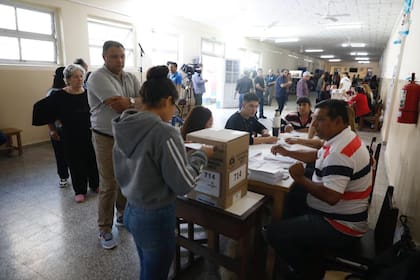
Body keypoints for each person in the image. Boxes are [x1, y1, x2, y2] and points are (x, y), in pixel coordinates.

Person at [112, 65, 212, 280]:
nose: (174, 111)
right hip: (155, 216)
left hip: (131, 209)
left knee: (146, 266)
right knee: (155, 273)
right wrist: (202, 155)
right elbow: (184, 184)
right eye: (174, 106)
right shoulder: (164, 132)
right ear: (167, 101)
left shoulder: (124, 125)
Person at [264, 99, 372, 279]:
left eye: (319, 120)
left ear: (337, 121)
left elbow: (331, 196)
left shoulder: (341, 152)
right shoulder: (343, 137)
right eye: (314, 119)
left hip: (340, 227)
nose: (314, 125)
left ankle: (310, 271)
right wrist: (288, 152)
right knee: (290, 197)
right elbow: (317, 155)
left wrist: (299, 178)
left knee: (272, 233)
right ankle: (297, 245)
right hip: (342, 215)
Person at [87, 40, 141, 249]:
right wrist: (135, 101)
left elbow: (145, 100)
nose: (119, 60)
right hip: (105, 135)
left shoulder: (130, 76)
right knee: (109, 183)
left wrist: (134, 101)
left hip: (126, 135)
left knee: (124, 178)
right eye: (114, 56)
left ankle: (122, 215)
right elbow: (119, 105)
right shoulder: (97, 77)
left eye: (122, 56)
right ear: (104, 57)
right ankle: (104, 230)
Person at [46, 64, 99, 202]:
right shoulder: (59, 95)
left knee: (91, 159)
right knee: (75, 162)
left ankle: (95, 184)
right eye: (76, 77)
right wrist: (52, 130)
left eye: (81, 76)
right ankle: (79, 190)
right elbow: (49, 114)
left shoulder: (88, 93)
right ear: (67, 79)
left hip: (88, 132)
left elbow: (95, 111)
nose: (80, 79)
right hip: (69, 133)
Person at [46, 66, 70, 188]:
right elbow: (48, 114)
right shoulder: (53, 93)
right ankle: (63, 177)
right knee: (60, 153)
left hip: (72, 129)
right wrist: (52, 130)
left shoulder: (71, 90)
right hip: (58, 129)